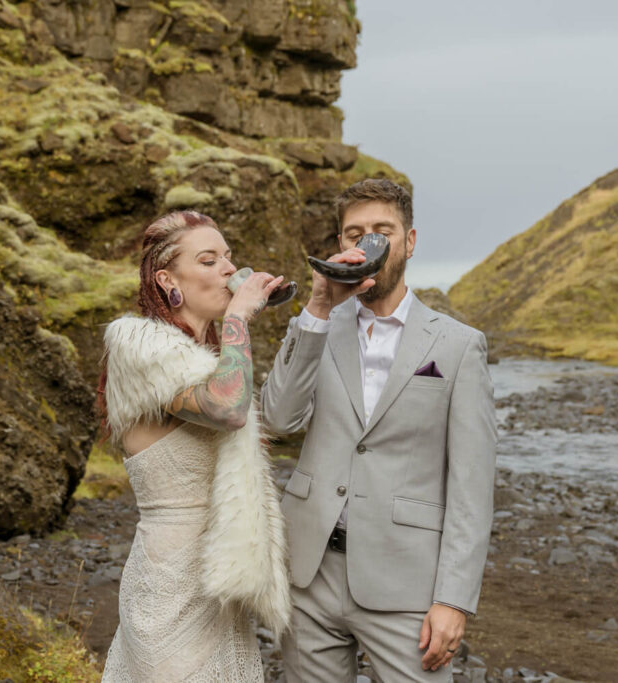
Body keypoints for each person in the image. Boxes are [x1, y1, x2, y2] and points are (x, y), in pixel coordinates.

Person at [261, 179, 497, 681]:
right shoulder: (316, 326)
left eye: (382, 232)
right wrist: (318, 308)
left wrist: (453, 599)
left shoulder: (458, 345)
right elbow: (278, 420)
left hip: (406, 582)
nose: (367, 243)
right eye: (355, 234)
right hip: (308, 574)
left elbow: (472, 485)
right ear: (341, 243)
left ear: (409, 241)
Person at [97, 210, 290, 682]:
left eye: (228, 257)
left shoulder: (207, 360)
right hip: (171, 581)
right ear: (168, 280)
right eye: (208, 260)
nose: (228, 269)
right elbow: (228, 408)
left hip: (219, 578)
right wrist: (239, 317)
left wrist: (321, 304)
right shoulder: (141, 345)